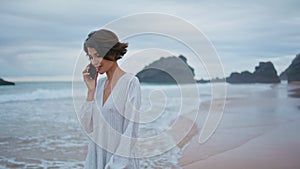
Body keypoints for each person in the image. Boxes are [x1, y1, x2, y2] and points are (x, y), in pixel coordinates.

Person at [79, 29, 141, 169]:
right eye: (90, 57)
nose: (94, 62)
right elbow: (87, 126)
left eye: (98, 55)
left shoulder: (130, 83)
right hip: (96, 161)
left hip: (121, 164)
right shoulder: (99, 86)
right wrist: (90, 91)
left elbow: (130, 132)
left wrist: (114, 166)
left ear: (111, 52)